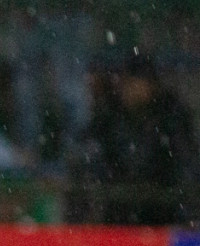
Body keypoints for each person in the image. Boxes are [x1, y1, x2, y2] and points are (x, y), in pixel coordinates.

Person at [78, 54, 198, 226]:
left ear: (149, 85)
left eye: (133, 83)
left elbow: (184, 165)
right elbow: (92, 153)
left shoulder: (170, 116)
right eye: (125, 83)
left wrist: (183, 211)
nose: (127, 89)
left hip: (161, 215)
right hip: (119, 216)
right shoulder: (111, 116)